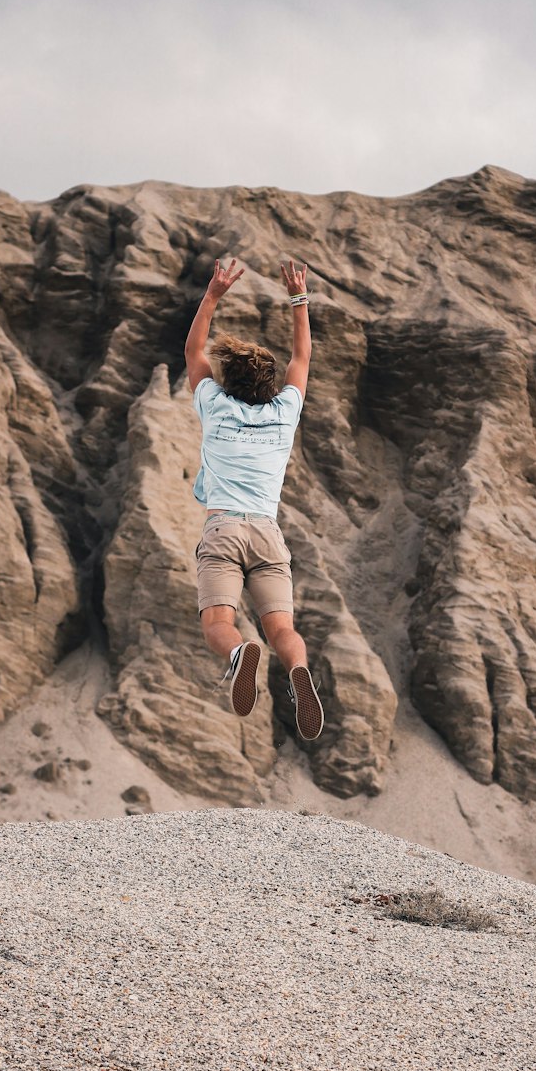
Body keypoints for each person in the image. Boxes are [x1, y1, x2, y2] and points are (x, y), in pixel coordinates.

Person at [185, 256, 324, 742]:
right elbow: (302, 359)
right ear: (270, 386)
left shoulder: (214, 405)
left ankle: (239, 653)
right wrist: (298, 297)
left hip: (223, 529)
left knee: (218, 625)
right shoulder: (284, 414)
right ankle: (297, 671)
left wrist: (214, 294)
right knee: (282, 629)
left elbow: (194, 348)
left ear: (230, 382)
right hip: (268, 533)